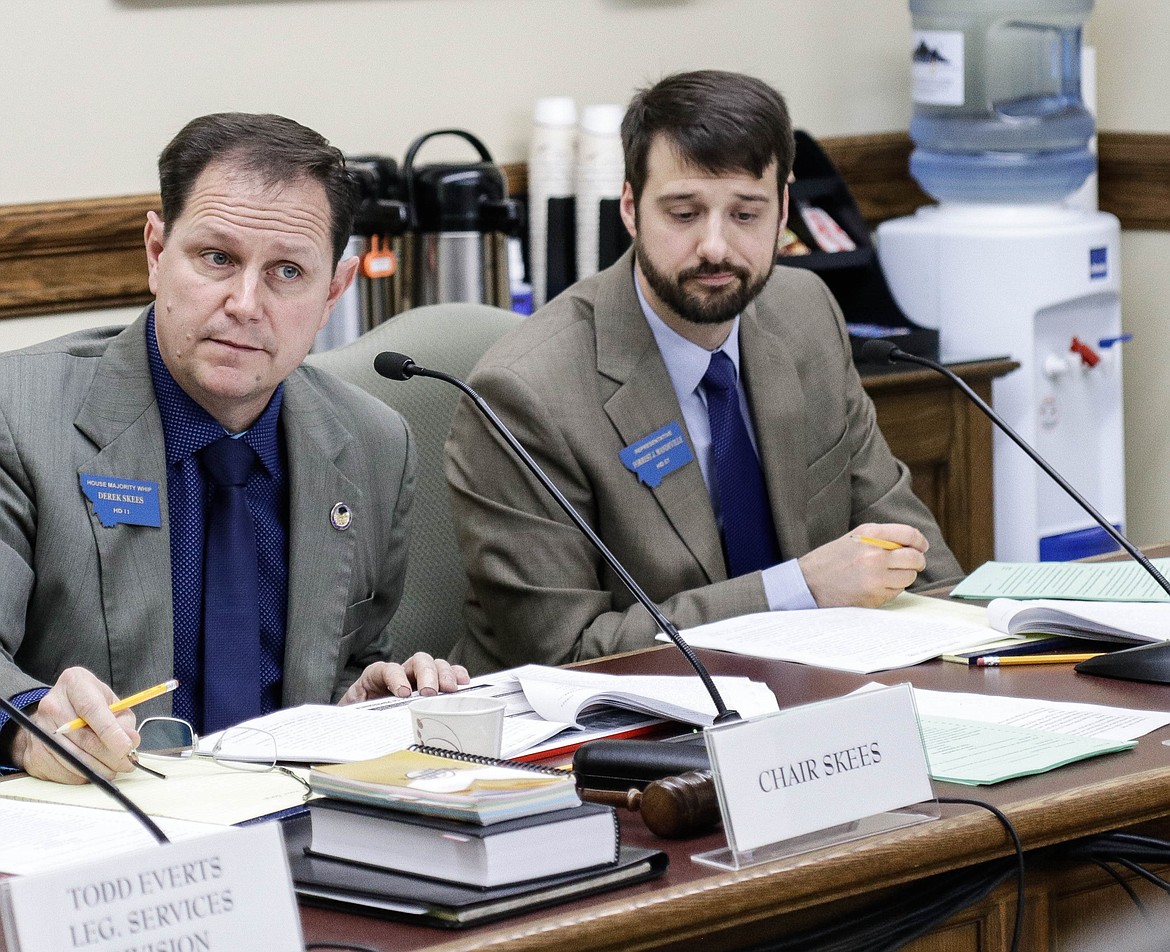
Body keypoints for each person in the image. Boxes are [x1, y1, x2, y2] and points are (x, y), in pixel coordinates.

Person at [0, 113, 468, 783]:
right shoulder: (18, 414)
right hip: (104, 835)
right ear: (157, 253)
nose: (245, 303)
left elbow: (342, 664)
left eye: (286, 272)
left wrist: (359, 707)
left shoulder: (372, 444)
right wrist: (27, 725)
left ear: (333, 291)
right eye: (217, 258)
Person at [445, 70, 963, 675]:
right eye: (684, 214)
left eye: (746, 214)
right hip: (608, 735)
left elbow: (911, 554)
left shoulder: (805, 312)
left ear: (784, 212)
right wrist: (797, 589)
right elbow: (567, 652)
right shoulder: (525, 393)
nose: (715, 247)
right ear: (633, 210)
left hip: (814, 697)